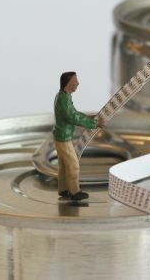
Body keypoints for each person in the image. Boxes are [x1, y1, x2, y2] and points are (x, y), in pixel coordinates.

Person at [53, 71, 102, 201]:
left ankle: (63, 189)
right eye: (75, 81)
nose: (78, 83)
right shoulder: (64, 99)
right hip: (64, 138)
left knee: (63, 165)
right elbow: (72, 116)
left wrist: (87, 117)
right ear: (68, 83)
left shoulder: (63, 96)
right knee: (73, 165)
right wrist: (94, 123)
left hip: (60, 136)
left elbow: (73, 112)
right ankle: (74, 192)